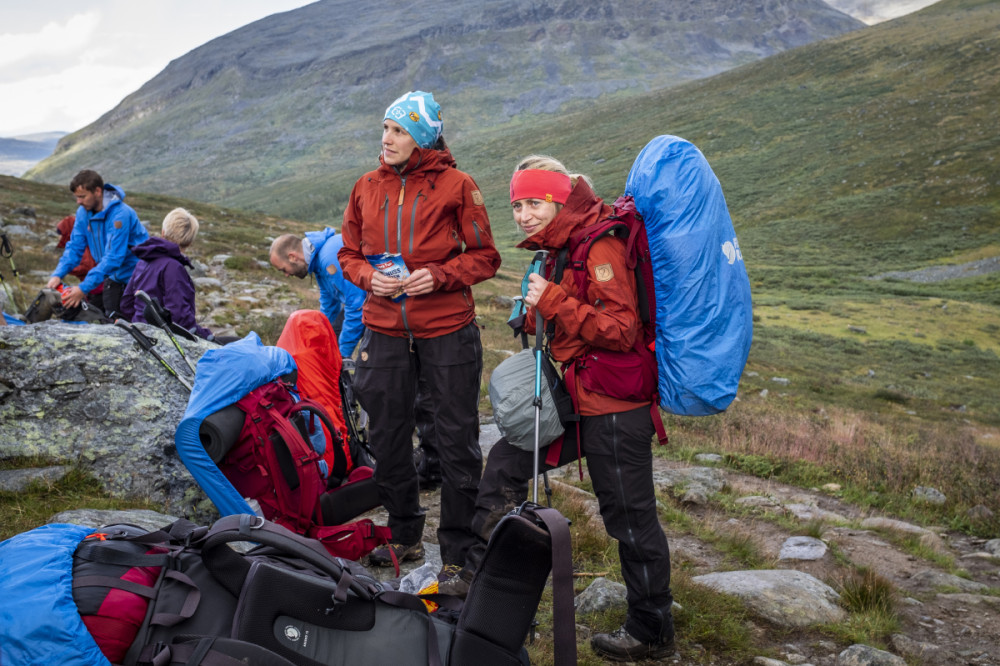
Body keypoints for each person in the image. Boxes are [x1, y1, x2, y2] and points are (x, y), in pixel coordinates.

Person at [441, 157, 676, 662]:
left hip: (615, 403)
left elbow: (622, 331)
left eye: (533, 203)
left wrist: (553, 303)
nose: (523, 215)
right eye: (517, 205)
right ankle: (471, 587)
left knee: (630, 520)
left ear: (558, 200)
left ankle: (652, 629)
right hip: (575, 395)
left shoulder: (600, 244)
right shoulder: (561, 247)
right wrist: (537, 308)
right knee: (506, 460)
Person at [338, 91, 501, 578]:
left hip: (448, 330)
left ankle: (458, 553)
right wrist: (372, 279)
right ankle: (405, 534)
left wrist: (440, 276)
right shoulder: (366, 186)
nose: (386, 139)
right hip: (384, 329)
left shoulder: (458, 185)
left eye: (398, 130)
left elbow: (486, 257)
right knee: (386, 438)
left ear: (422, 136)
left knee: (456, 441)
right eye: (385, 129)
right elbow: (348, 254)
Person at [47, 170, 148, 316]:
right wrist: (58, 274)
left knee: (132, 324)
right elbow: (75, 247)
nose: (78, 201)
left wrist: (83, 289)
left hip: (136, 277)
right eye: (77, 197)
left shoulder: (120, 215)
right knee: (111, 321)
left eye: (82, 196)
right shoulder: (83, 213)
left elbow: (114, 257)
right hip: (112, 277)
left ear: (98, 191)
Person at [118, 208, 213, 340]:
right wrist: (206, 335)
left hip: (140, 332)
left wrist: (139, 322)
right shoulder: (173, 268)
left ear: (163, 233)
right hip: (162, 338)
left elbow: (126, 303)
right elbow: (180, 318)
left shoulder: (143, 260)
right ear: (190, 242)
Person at [269, 229, 366, 357]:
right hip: (366, 301)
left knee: (367, 360)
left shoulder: (329, 259)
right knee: (332, 333)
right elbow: (329, 303)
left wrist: (343, 354)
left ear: (292, 257)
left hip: (385, 302)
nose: (286, 275)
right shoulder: (318, 261)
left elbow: (357, 305)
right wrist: (316, 336)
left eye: (284, 269)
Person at [56, 213, 104, 311]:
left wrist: (67, 269)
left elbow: (87, 266)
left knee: (97, 313)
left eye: (60, 234)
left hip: (97, 287)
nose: (59, 237)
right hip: (94, 286)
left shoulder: (82, 244)